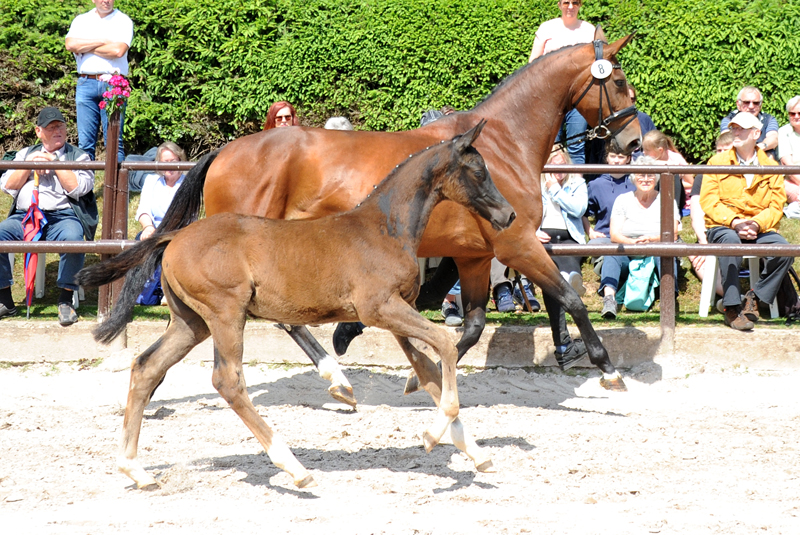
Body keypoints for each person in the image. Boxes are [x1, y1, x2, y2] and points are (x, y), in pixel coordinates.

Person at [0, 107, 96, 325]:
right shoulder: (25, 153)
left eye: (60, 126)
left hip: (63, 217)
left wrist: (53, 162)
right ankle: (5, 299)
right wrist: (30, 163)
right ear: (38, 131)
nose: (57, 131)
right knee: (0, 233)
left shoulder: (79, 156)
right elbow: (7, 185)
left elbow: (78, 188)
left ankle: (65, 301)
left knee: (73, 239)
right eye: (51, 128)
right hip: (26, 217)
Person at [700, 112, 792, 331]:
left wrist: (756, 224)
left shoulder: (771, 166)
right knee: (730, 240)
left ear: (756, 133)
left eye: (741, 128)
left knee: (786, 250)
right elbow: (709, 201)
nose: (736, 132)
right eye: (733, 128)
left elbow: (776, 205)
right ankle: (731, 308)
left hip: (758, 228)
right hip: (724, 226)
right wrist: (734, 222)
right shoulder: (717, 162)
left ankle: (754, 297)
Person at [599, 155, 681, 319]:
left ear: (656, 178)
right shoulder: (623, 200)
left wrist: (650, 241)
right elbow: (614, 234)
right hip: (628, 252)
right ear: (633, 178)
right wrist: (631, 242)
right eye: (640, 175)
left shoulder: (666, 199)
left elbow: (673, 233)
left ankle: (670, 298)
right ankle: (609, 299)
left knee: (665, 252)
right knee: (611, 252)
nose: (645, 179)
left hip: (655, 249)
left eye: (650, 175)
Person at [65, 0, 133, 162]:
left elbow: (118, 50)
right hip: (86, 83)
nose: (106, 1)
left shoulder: (123, 20)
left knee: (114, 142)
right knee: (85, 143)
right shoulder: (81, 20)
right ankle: (86, 187)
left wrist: (86, 46)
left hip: (113, 86)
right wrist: (103, 41)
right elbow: (70, 44)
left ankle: (116, 187)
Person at [529, 0, 595, 165]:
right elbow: (533, 64)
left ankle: (577, 189)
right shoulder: (547, 28)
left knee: (577, 147)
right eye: (566, 2)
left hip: (578, 99)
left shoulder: (589, 30)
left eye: (575, 2)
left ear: (580, 5)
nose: (571, 7)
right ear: (559, 5)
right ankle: (547, 189)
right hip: (550, 99)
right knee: (550, 147)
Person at [688, 131, 734, 307]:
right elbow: (696, 213)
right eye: (718, 150)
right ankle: (735, 298)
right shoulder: (704, 174)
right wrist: (704, 243)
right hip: (711, 231)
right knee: (698, 257)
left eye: (726, 151)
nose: (721, 155)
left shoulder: (745, 173)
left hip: (739, 231)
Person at [537, 146, 588, 295]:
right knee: (551, 257)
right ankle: (569, 282)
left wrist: (555, 190)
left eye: (562, 165)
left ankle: (568, 280)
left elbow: (579, 209)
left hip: (570, 235)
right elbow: (526, 212)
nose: (559, 170)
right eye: (554, 165)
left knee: (570, 254)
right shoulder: (536, 184)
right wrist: (534, 232)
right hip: (544, 236)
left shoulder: (577, 183)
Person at [583, 141, 636, 275]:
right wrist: (590, 231)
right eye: (613, 156)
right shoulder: (596, 185)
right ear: (607, 158)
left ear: (628, 159)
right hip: (606, 236)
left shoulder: (637, 183)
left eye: (621, 157)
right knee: (593, 245)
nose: (616, 161)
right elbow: (583, 213)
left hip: (633, 236)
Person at [135, 142, 186, 240]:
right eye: (165, 162)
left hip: (180, 233)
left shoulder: (187, 182)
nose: (170, 166)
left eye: (173, 162)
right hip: (155, 231)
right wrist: (148, 228)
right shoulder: (151, 180)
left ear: (180, 161)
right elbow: (144, 209)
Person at [719, 86, 779, 157]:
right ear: (738, 104)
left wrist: (760, 147)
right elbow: (726, 141)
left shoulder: (769, 120)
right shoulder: (729, 120)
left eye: (755, 103)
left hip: (761, 157)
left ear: (760, 105)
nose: (751, 106)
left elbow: (774, 138)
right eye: (746, 102)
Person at [641, 130, 691, 212]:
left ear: (660, 150)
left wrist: (667, 183)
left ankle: (672, 212)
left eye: (647, 150)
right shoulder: (647, 160)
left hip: (676, 195)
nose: (643, 152)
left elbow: (691, 183)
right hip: (654, 194)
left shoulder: (676, 159)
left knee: (670, 172)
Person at [778, 95, 800, 212]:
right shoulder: (783, 132)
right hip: (791, 179)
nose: (796, 117)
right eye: (792, 114)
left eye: (799, 113)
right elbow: (788, 166)